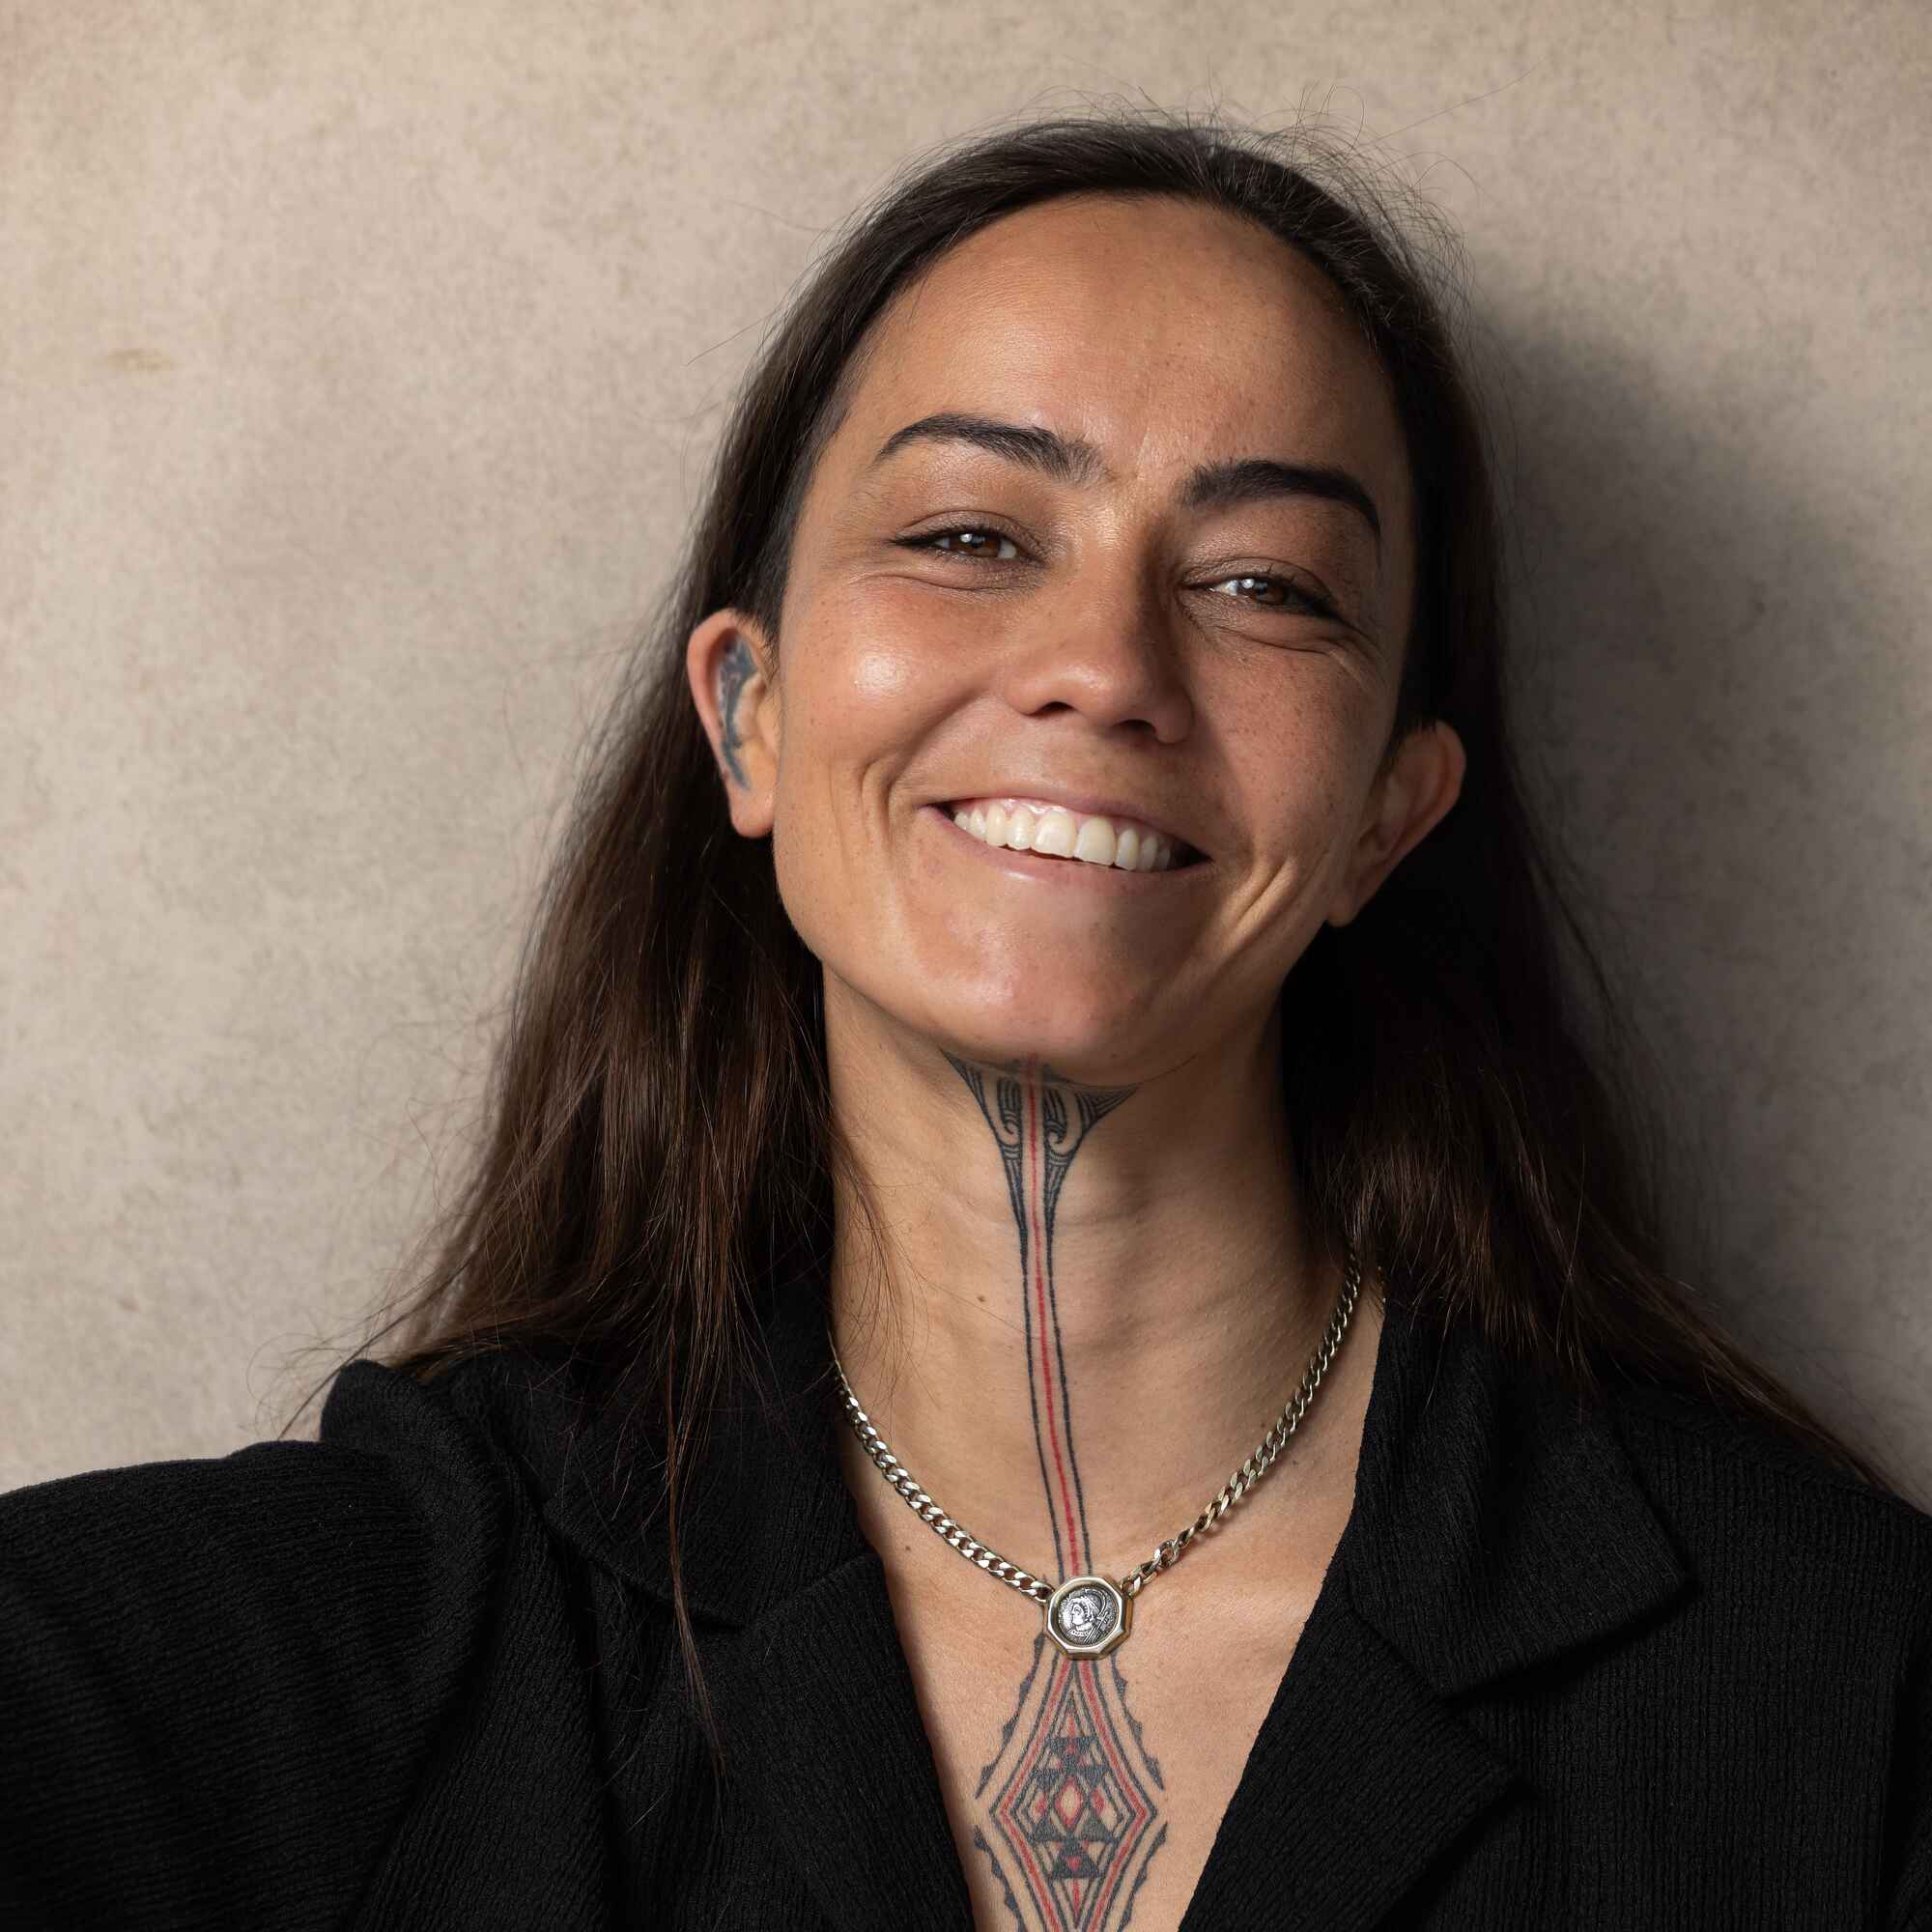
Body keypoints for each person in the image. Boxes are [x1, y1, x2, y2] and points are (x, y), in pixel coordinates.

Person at [4, 107, 1929, 1932]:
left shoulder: (1842, 1697)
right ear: (749, 713)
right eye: (971, 537)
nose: (1102, 667)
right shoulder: (372, 1625)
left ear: (1385, 819)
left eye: (1262, 581)